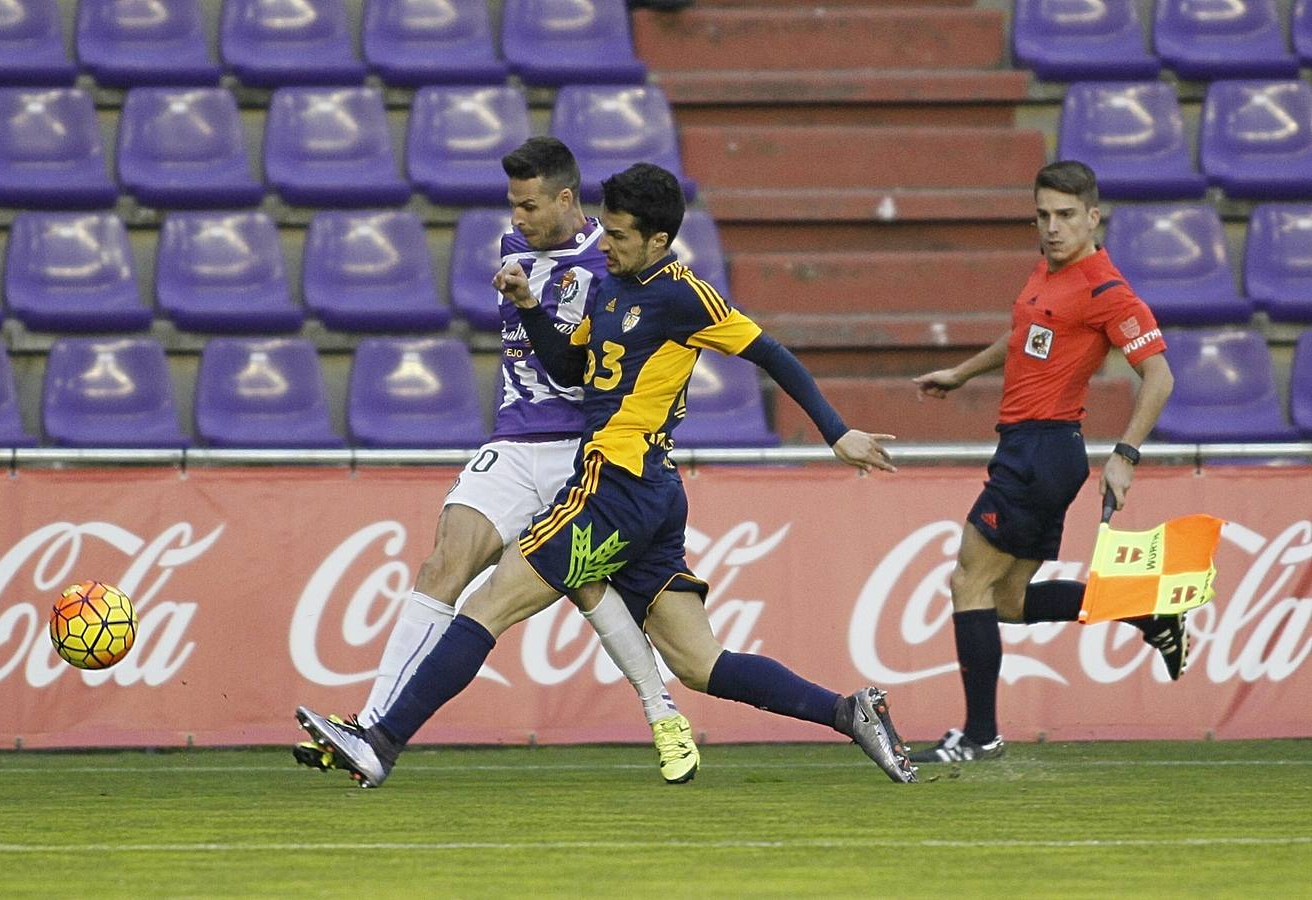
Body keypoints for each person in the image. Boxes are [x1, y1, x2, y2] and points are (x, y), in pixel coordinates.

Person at [296, 162, 918, 787]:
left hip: (613, 485)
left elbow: (771, 353)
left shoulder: (684, 294)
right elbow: (570, 367)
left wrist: (837, 432)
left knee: (489, 603)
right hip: (648, 494)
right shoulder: (611, 287)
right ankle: (849, 712)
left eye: (619, 235)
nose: (607, 244)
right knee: (700, 663)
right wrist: (531, 306)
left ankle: (381, 741)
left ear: (658, 240)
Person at [293, 137, 702, 784]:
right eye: (513, 204)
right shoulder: (516, 249)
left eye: (530, 205)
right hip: (513, 444)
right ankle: (366, 729)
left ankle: (662, 711)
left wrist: (538, 312)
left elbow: (598, 367)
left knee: (587, 586)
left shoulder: (614, 265)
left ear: (566, 200)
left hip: (581, 448)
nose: (517, 218)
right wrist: (519, 294)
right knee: (443, 561)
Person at [908, 160, 1179, 764]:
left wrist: (1126, 455)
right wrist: (960, 372)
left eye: (1064, 216)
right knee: (1004, 601)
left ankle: (980, 736)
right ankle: (1144, 611)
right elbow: (1025, 335)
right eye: (1042, 215)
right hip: (1030, 449)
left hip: (1043, 450)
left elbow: (1158, 375)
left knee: (967, 580)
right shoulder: (1045, 274)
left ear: (1092, 217)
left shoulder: (1107, 290)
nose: (1051, 228)